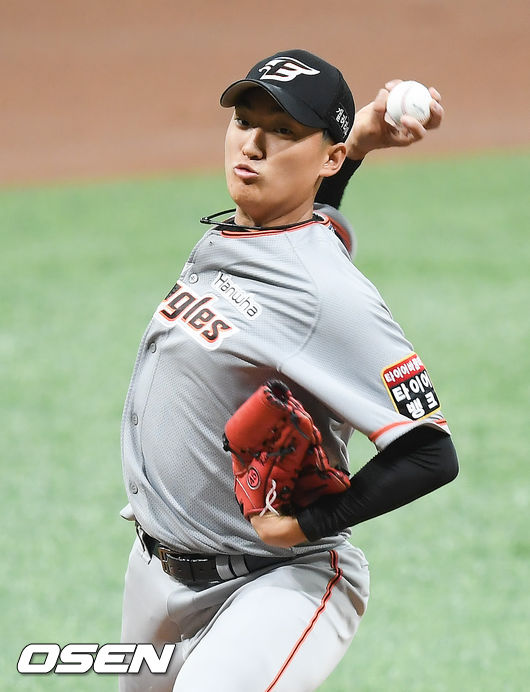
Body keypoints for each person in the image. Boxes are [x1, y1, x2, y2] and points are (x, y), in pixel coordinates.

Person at [119, 49, 458, 691]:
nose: (252, 144)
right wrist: (354, 143)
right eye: (245, 121)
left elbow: (430, 452)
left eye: (283, 130)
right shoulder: (250, 232)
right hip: (156, 571)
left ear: (325, 157)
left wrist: (303, 526)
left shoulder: (329, 294)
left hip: (276, 583)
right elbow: (308, 218)